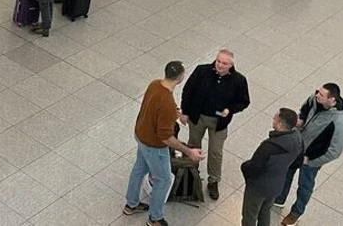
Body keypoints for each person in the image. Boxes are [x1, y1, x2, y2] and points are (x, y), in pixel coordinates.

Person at [123, 61, 204, 225]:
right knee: (164, 179)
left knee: (139, 169)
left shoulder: (155, 84)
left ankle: (130, 205)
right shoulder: (166, 101)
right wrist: (189, 152)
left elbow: (158, 106)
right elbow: (166, 138)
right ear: (180, 78)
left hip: (141, 135)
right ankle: (155, 218)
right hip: (154, 146)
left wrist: (177, 112)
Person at [275, 83, 343, 226]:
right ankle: (279, 198)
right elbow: (303, 111)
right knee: (286, 173)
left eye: (321, 95)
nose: (317, 95)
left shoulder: (339, 122)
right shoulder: (314, 100)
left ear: (332, 100)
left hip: (311, 158)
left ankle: (296, 212)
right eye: (318, 92)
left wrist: (311, 161)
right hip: (297, 147)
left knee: (305, 185)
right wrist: (301, 121)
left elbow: (335, 151)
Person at [180, 50, 251, 200]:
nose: (219, 65)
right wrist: (184, 112)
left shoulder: (239, 80)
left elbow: (244, 101)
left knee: (216, 151)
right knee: (193, 145)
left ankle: (213, 180)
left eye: (224, 63)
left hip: (219, 123)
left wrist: (230, 109)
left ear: (231, 65)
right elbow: (188, 91)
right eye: (218, 61)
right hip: (197, 117)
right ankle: (191, 172)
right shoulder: (202, 71)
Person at [241, 108, 304, 226]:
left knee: (250, 215)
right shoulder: (298, 139)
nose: (273, 119)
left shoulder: (268, 146)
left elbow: (253, 169)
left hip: (258, 187)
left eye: (275, 118)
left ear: (280, 124)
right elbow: (298, 162)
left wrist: (244, 167)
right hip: (277, 185)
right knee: (265, 211)